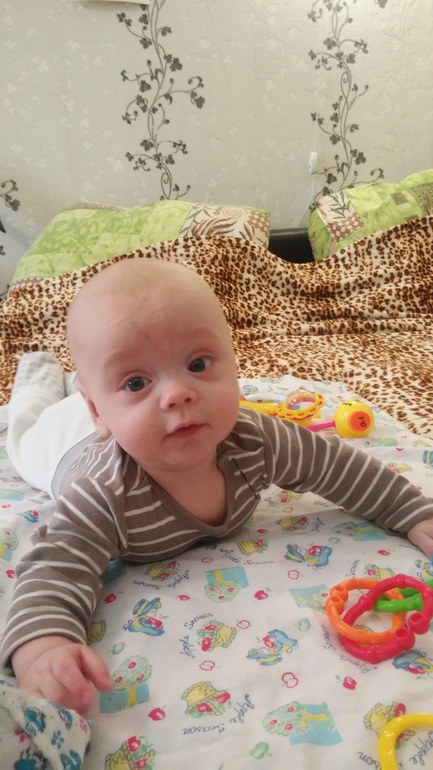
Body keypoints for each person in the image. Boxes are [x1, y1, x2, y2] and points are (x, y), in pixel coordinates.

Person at [1, 255, 433, 716]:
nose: (177, 393)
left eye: (198, 363)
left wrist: (411, 512)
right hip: (63, 447)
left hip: (112, 417)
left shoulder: (255, 438)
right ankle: (37, 381)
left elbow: (337, 467)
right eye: (137, 381)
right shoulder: (100, 494)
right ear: (97, 411)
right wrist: (44, 646)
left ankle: (94, 383)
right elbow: (56, 568)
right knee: (22, 428)